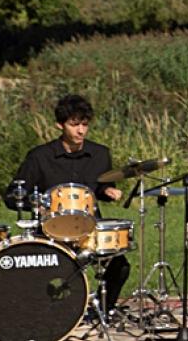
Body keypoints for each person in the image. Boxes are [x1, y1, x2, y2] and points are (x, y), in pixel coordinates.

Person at [13, 94, 128, 312]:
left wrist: (108, 191)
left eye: (85, 125)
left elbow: (98, 188)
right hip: (50, 230)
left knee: (120, 266)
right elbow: (15, 194)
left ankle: (104, 311)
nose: (81, 131)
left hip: (89, 228)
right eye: (74, 125)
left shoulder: (100, 154)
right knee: (47, 273)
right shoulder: (39, 157)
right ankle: (52, 313)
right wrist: (35, 204)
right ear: (60, 125)